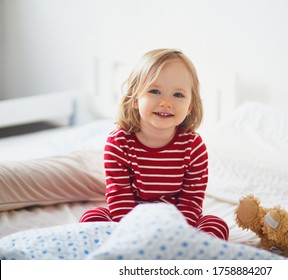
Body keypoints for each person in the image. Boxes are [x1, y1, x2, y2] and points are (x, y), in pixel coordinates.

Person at [80, 48, 229, 241]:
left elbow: (191, 202)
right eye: (155, 91)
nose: (166, 102)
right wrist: (137, 233)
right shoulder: (118, 143)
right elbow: (120, 199)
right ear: (135, 98)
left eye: (178, 95)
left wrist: (174, 233)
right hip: (129, 219)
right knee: (91, 218)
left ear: (190, 105)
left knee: (216, 225)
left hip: (177, 221)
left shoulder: (194, 147)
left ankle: (182, 252)